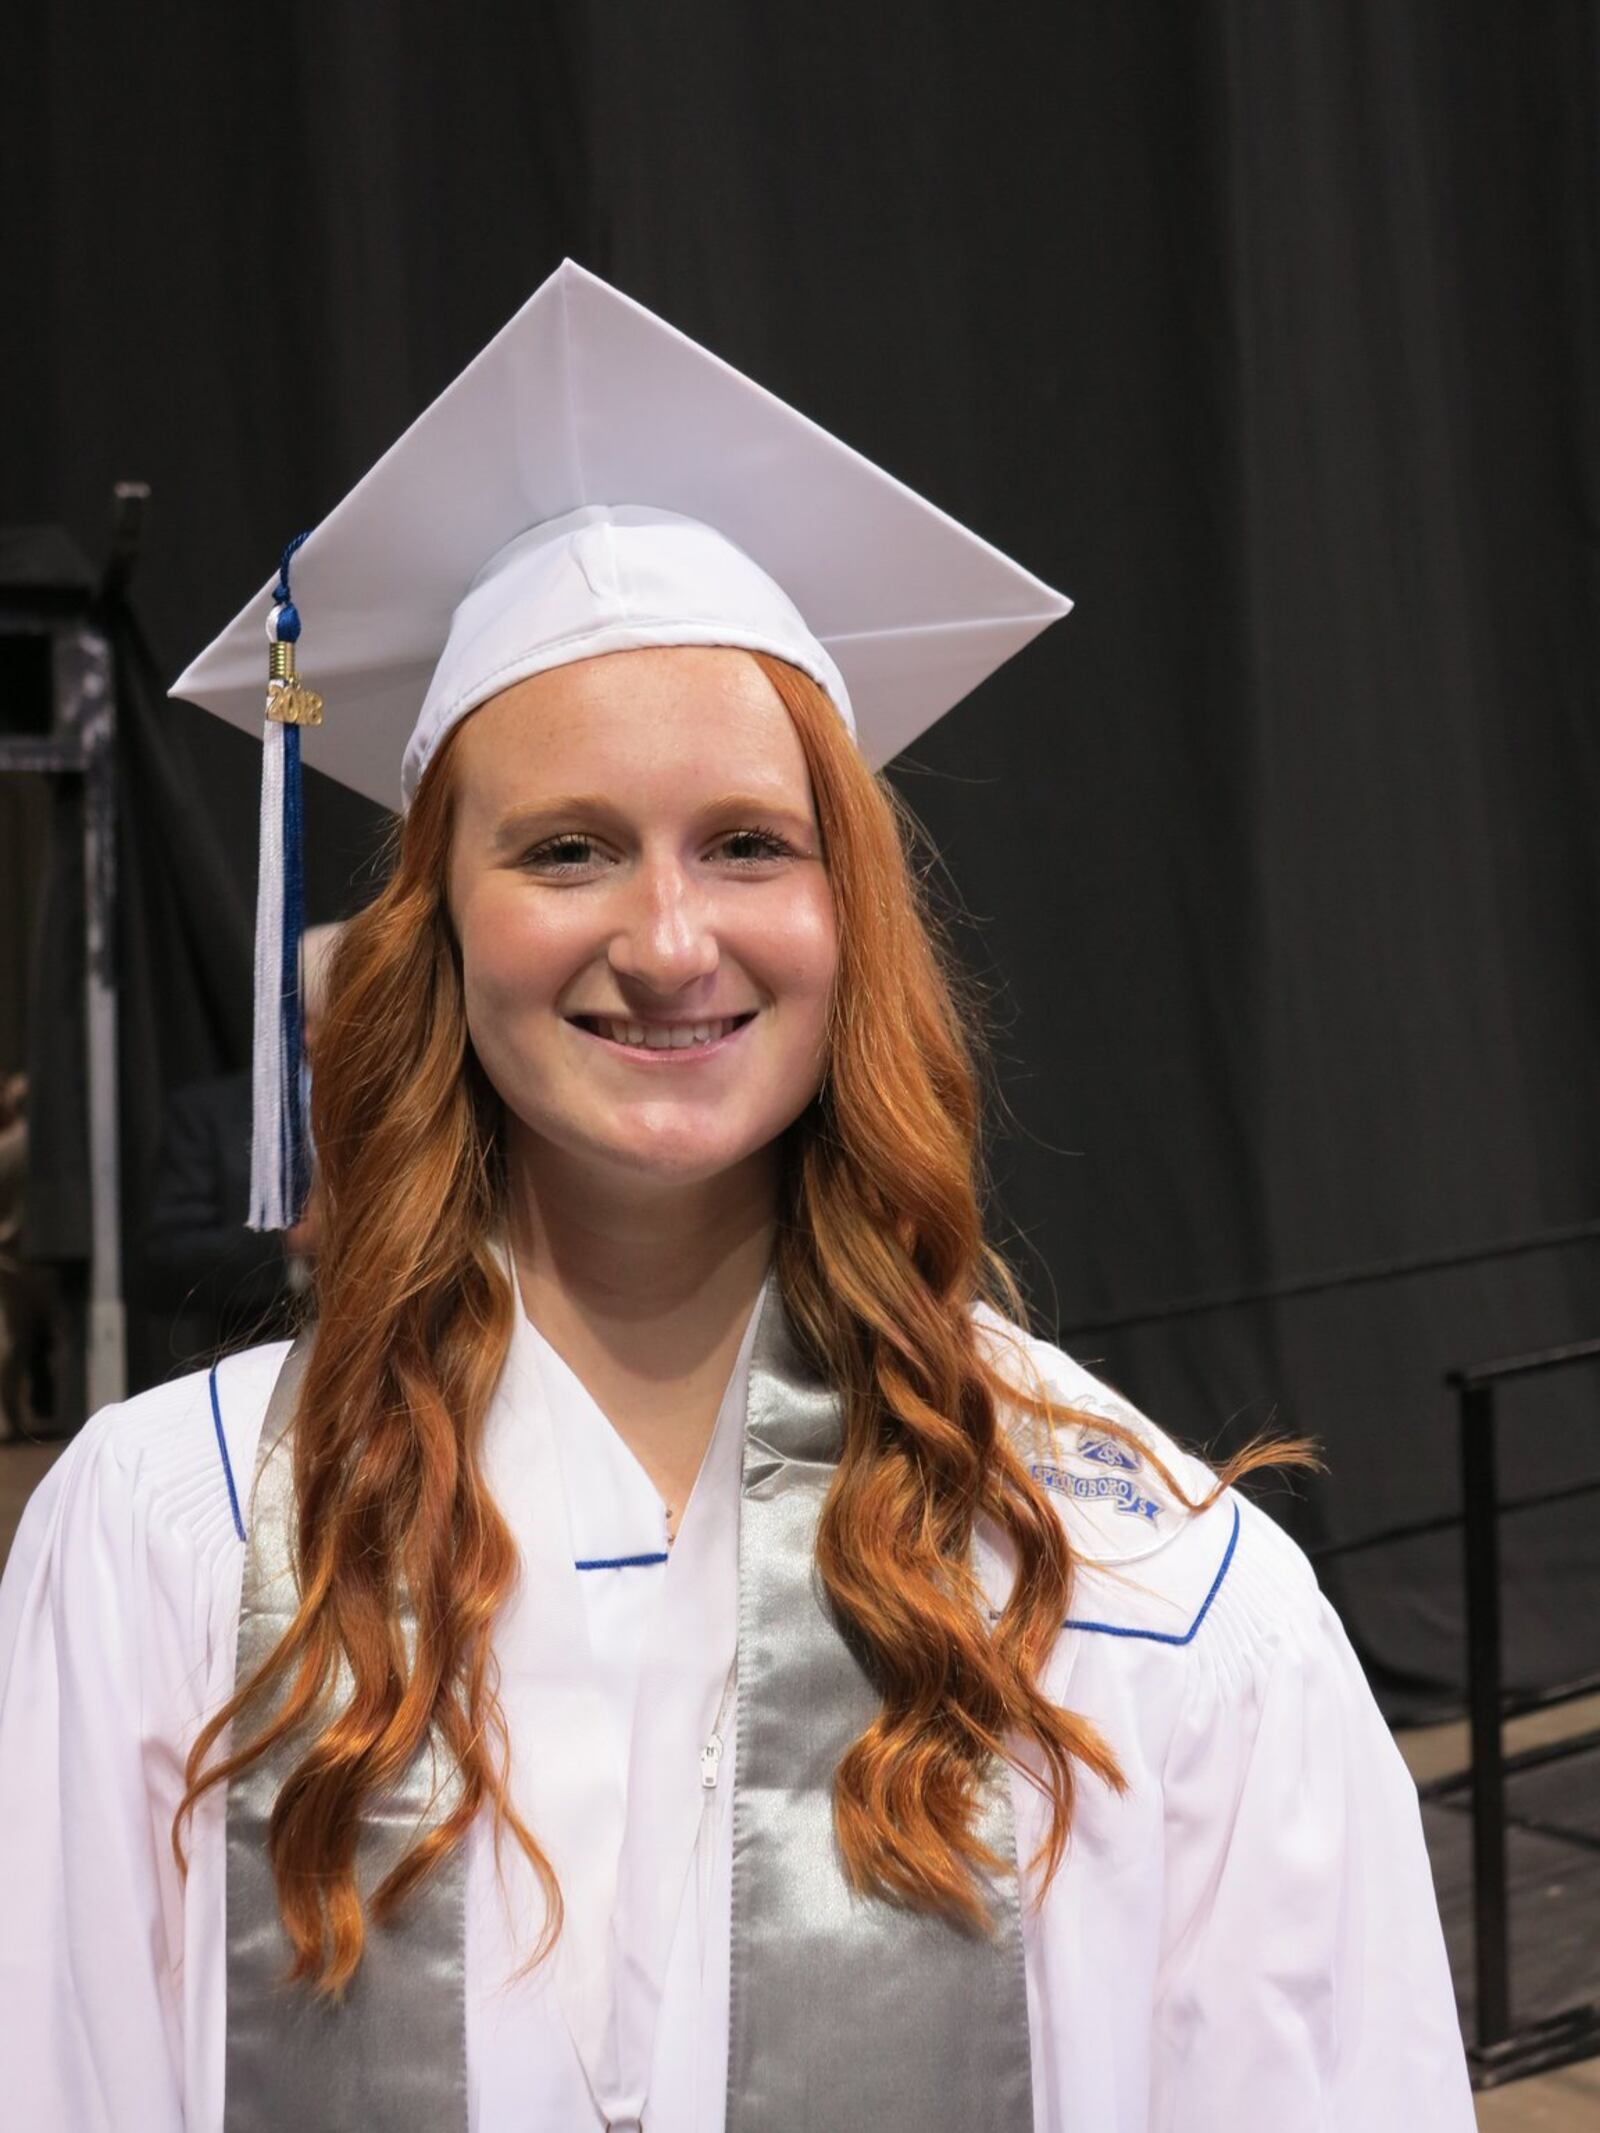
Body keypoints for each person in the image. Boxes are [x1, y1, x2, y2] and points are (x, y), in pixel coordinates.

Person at [0, 262, 1475, 2131]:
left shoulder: (1141, 1585)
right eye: (567, 849)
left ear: (849, 909)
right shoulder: (173, 1545)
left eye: (749, 844)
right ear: (435, 929)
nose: (670, 936)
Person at [140, 924, 344, 1357]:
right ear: (305, 1026)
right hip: (254, 1367)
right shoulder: (212, 1117)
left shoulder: (421, 1112)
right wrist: (292, 1241)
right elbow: (165, 1266)